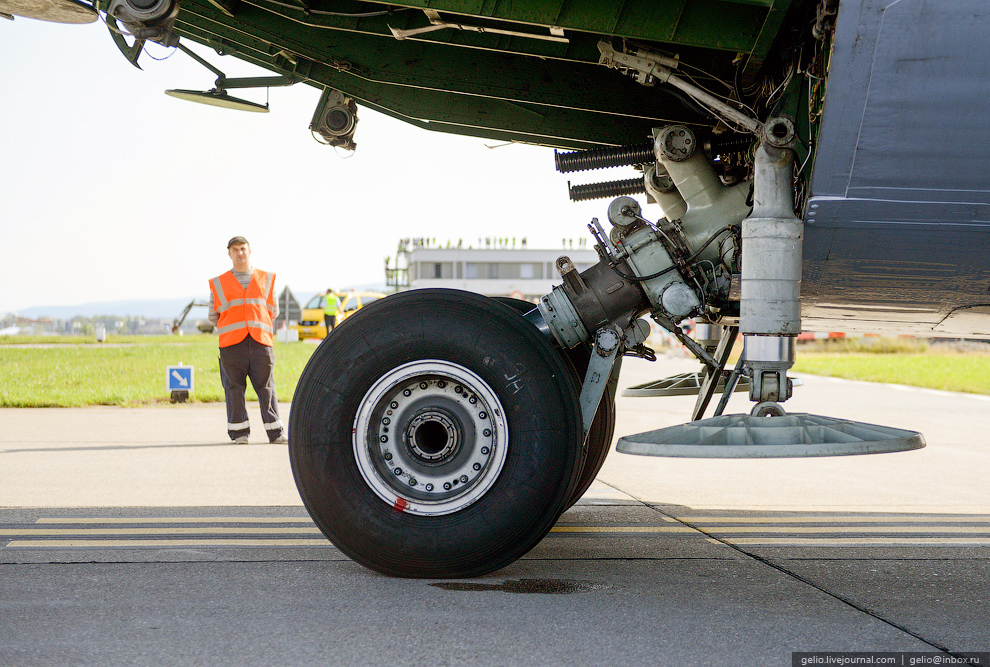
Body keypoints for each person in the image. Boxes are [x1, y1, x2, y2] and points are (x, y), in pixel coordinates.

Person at [208, 236, 287, 445]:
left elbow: (273, 311)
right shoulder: (219, 283)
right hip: (232, 344)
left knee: (266, 387)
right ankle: (239, 434)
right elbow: (212, 315)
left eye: (243, 248)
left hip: (260, 341)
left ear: (249, 251)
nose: (240, 253)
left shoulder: (266, 279)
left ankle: (276, 433)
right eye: (235, 249)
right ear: (229, 254)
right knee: (233, 388)